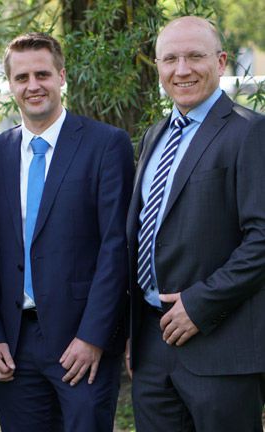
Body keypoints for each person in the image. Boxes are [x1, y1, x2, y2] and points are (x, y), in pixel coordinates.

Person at [0, 32, 134, 431]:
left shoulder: (105, 145)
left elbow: (116, 248)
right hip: (14, 345)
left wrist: (93, 337)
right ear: (10, 84)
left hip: (80, 343)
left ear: (62, 76)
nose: (33, 86)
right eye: (22, 77)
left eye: (43, 74)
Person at [126, 15, 265, 431]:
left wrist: (200, 305)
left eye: (195, 57)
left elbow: (262, 238)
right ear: (158, 67)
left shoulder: (250, 133)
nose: (182, 69)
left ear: (221, 61)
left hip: (222, 348)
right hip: (152, 349)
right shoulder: (155, 135)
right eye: (170, 59)